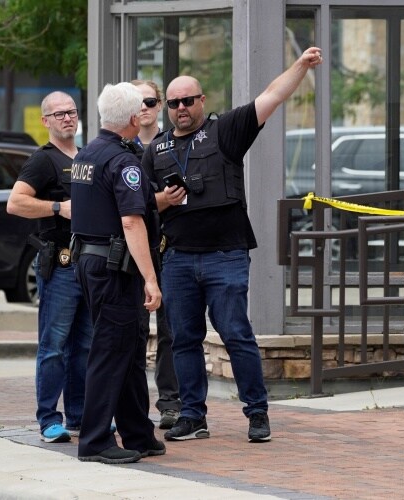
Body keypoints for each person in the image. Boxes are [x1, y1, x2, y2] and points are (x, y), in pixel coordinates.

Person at [141, 47, 324, 443]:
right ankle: (193, 416)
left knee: (236, 334)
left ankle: (257, 413)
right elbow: (140, 203)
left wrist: (299, 65)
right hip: (178, 258)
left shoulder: (225, 130)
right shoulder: (155, 150)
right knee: (184, 339)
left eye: (188, 100)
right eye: (173, 103)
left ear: (202, 100)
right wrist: (164, 199)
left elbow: (272, 96)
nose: (181, 108)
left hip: (226, 255)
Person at [70, 82, 165, 464]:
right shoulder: (123, 162)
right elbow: (131, 221)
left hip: (92, 264)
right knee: (111, 352)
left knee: (125, 350)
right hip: (114, 269)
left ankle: (138, 433)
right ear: (132, 118)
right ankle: (94, 441)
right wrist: (150, 279)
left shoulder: (87, 153)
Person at [6, 91, 93, 443]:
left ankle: (79, 416)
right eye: (59, 114)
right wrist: (58, 208)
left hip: (88, 263)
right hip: (59, 265)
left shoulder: (86, 156)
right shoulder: (42, 160)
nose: (67, 118)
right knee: (54, 345)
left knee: (83, 346)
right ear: (45, 121)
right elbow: (15, 202)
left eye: (71, 112)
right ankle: (48, 419)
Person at [131, 78, 181, 430]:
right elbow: (133, 206)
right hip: (134, 251)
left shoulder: (172, 145)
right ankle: (133, 406)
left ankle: (170, 403)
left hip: (170, 248)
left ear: (159, 105)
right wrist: (161, 200)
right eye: (137, 103)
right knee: (133, 330)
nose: (144, 108)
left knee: (171, 330)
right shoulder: (122, 149)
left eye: (150, 101)